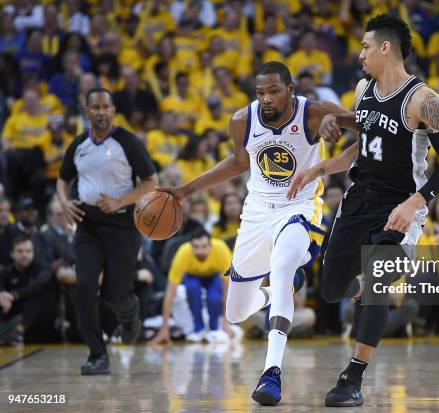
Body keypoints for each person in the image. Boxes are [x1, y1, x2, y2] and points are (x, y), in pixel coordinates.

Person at [288, 13, 439, 406]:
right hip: (359, 197)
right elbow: (363, 145)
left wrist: (418, 201)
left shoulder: (425, 100)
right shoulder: (362, 88)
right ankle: (364, 289)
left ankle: (352, 378)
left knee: (380, 273)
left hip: (401, 204)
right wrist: (319, 167)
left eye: (366, 45)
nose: (361, 52)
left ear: (386, 48)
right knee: (331, 290)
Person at [159, 61, 350, 405]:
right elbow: (237, 162)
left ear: (291, 90)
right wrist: (187, 190)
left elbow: (367, 127)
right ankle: (282, 288)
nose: (266, 99)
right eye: (261, 92)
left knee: (280, 268)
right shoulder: (241, 120)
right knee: (236, 313)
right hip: (257, 212)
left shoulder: (313, 112)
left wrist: (335, 122)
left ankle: (271, 373)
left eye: (274, 91)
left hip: (299, 207)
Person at [56, 87, 158, 375]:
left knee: (115, 295)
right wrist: (65, 203)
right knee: (85, 284)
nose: (101, 112)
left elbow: (151, 181)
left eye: (106, 107)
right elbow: (62, 180)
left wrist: (120, 201)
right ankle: (97, 355)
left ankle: (129, 314)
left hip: (123, 225)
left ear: (113, 110)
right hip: (88, 225)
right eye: (95, 107)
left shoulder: (128, 141)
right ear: (87, 111)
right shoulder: (78, 145)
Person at [149, 227, 232, 344]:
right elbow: (170, 292)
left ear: (210, 245)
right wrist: (164, 328)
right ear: (191, 246)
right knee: (193, 290)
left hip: (213, 278)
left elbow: (228, 289)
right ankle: (198, 329)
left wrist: (226, 321)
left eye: (204, 246)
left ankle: (215, 329)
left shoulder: (221, 249)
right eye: (196, 247)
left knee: (214, 298)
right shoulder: (183, 252)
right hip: (192, 277)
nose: (200, 251)